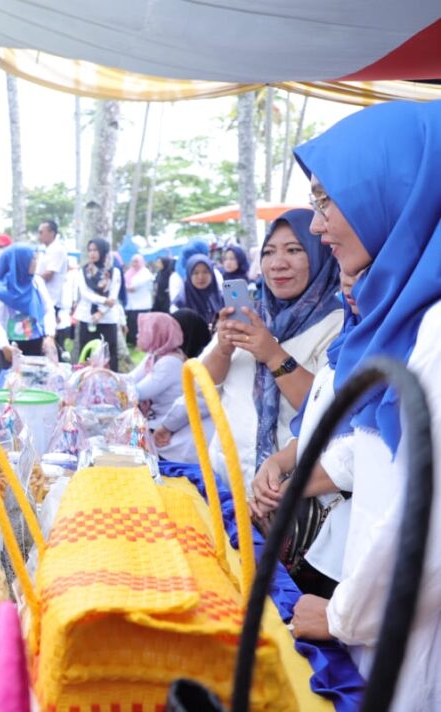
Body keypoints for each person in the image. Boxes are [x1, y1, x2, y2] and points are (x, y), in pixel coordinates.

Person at [286, 100, 441, 710]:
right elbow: (384, 441)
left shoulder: (436, 332)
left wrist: (345, 614)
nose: (318, 226)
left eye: (327, 200)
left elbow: (429, 527)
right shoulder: (407, 318)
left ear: (395, 191)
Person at [160, 209, 343, 487]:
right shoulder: (249, 315)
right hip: (228, 482)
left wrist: (273, 354)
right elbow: (201, 388)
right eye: (268, 252)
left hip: (288, 493)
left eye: (293, 250)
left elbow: (328, 410)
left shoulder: (338, 324)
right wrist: (222, 349)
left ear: (320, 255)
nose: (277, 264)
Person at [251, 270, 362, 599]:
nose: (350, 282)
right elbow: (318, 419)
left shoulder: (344, 326)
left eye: (366, 270)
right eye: (345, 269)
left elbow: (365, 446)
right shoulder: (349, 337)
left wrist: (290, 488)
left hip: (355, 545)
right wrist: (278, 461)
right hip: (313, 542)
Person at [129, 312, 212, 463]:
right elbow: (131, 379)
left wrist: (110, 382)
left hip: (165, 425)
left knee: (130, 446)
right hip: (158, 421)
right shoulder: (155, 356)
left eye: (143, 331)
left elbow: (138, 392)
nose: (137, 335)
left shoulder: (169, 362)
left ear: (157, 334)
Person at [0, 244, 57, 369]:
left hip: (37, 343)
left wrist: (49, 335)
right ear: (20, 262)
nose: (36, 263)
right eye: (32, 259)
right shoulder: (2, 290)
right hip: (12, 346)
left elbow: (48, 309)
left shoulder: (36, 282)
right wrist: (4, 345)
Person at [71, 237, 122, 371]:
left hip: (107, 318)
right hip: (88, 317)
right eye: (90, 250)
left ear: (103, 251)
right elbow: (85, 293)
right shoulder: (83, 271)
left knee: (109, 354)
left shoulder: (114, 272)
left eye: (96, 250)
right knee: (87, 353)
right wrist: (103, 301)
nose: (92, 253)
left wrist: (101, 312)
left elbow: (113, 295)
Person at [36, 219, 72, 356]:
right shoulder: (47, 250)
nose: (39, 236)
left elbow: (49, 274)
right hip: (43, 299)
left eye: (41, 232)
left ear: (52, 233)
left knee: (50, 338)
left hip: (51, 300)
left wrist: (31, 279)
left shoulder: (57, 250)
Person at [174, 254, 223, 328]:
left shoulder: (222, 298)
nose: (201, 277)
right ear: (189, 275)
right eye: (195, 273)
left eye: (205, 272)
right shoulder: (180, 304)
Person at [123, 253, 154, 347]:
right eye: (133, 262)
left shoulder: (145, 273)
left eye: (136, 261)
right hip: (131, 305)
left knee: (140, 325)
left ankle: (141, 343)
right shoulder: (129, 273)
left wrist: (123, 288)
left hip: (142, 304)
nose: (134, 264)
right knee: (131, 324)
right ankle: (132, 342)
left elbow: (132, 288)